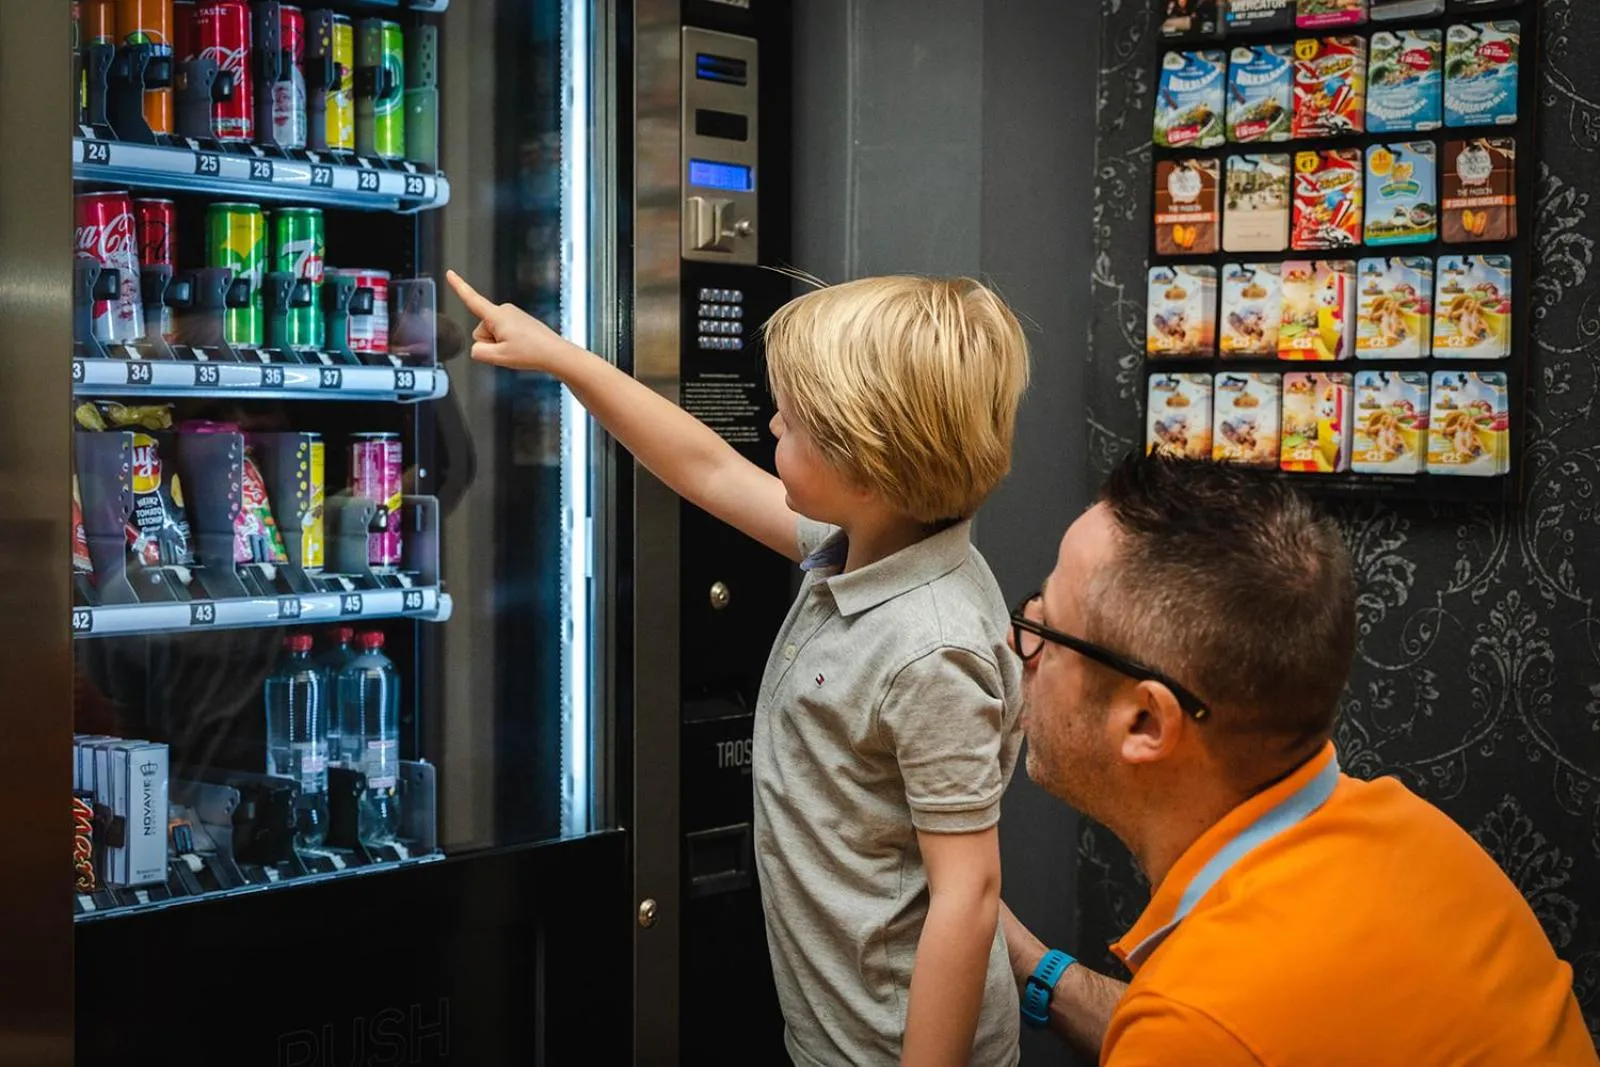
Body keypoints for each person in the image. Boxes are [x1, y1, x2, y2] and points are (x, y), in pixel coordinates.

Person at [446, 270, 1031, 1066]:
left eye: (793, 422)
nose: (772, 419)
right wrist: (563, 358)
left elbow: (968, 897)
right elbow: (708, 468)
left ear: (864, 468)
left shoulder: (932, 647)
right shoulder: (862, 543)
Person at [1000, 453, 1599, 1066]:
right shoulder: (1409, 829)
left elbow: (1207, 1031)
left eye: (1047, 627)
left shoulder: (1202, 1018)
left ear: (1146, 722)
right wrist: (1024, 959)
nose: (1020, 648)